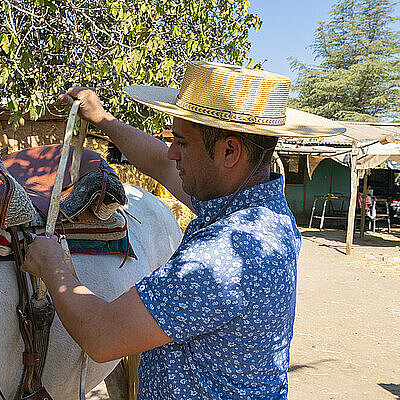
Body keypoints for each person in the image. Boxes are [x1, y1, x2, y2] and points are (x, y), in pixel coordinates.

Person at [21, 61, 345, 399]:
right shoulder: (261, 212)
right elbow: (162, 163)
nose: (172, 153)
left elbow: (102, 337)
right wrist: (103, 119)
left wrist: (53, 267)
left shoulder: (221, 256)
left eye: (182, 143)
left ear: (229, 151)